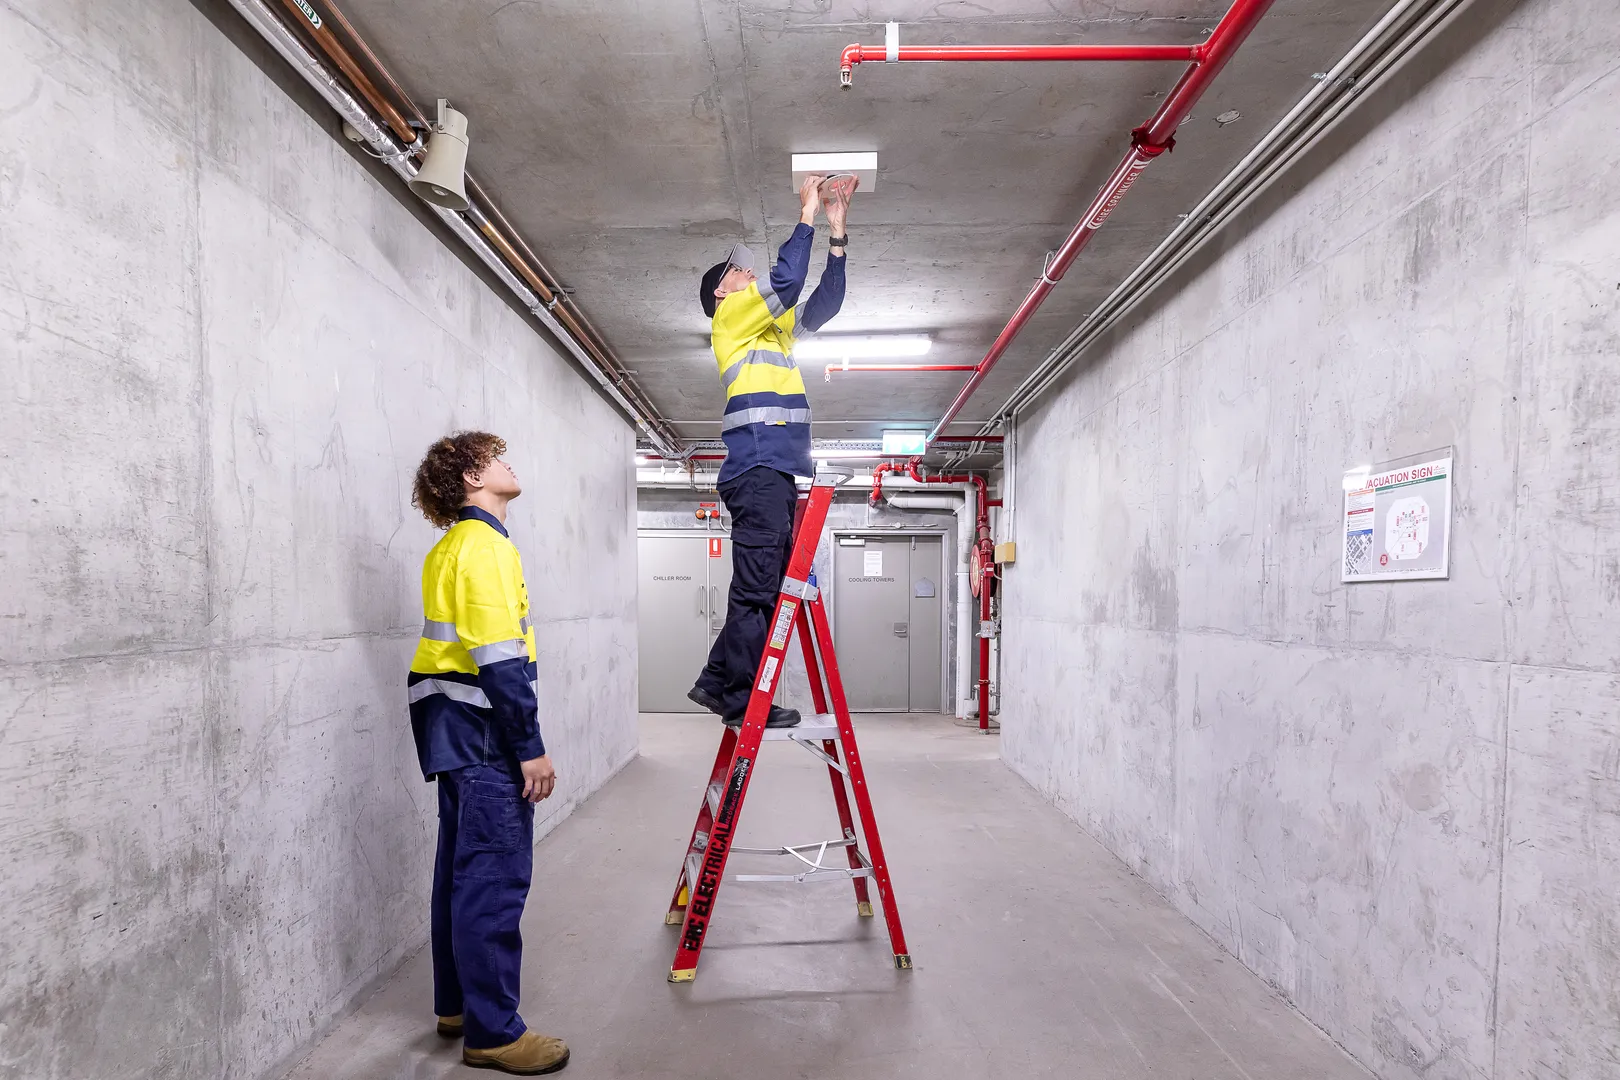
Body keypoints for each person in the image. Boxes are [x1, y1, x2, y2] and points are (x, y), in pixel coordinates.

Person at [407, 431, 569, 1076]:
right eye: (497, 457)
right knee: (493, 884)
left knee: (458, 876)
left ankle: (457, 1007)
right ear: (474, 476)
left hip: (454, 733)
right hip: (485, 738)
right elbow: (499, 656)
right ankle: (494, 1033)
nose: (510, 462)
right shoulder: (484, 547)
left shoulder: (449, 546)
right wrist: (528, 748)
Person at [687, 174, 854, 729]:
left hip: (772, 472)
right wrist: (805, 211)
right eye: (739, 271)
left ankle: (716, 682)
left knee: (761, 585)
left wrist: (836, 231)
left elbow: (823, 302)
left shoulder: (772, 334)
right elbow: (787, 277)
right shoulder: (730, 319)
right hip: (759, 468)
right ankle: (740, 699)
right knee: (759, 591)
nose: (748, 274)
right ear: (722, 291)